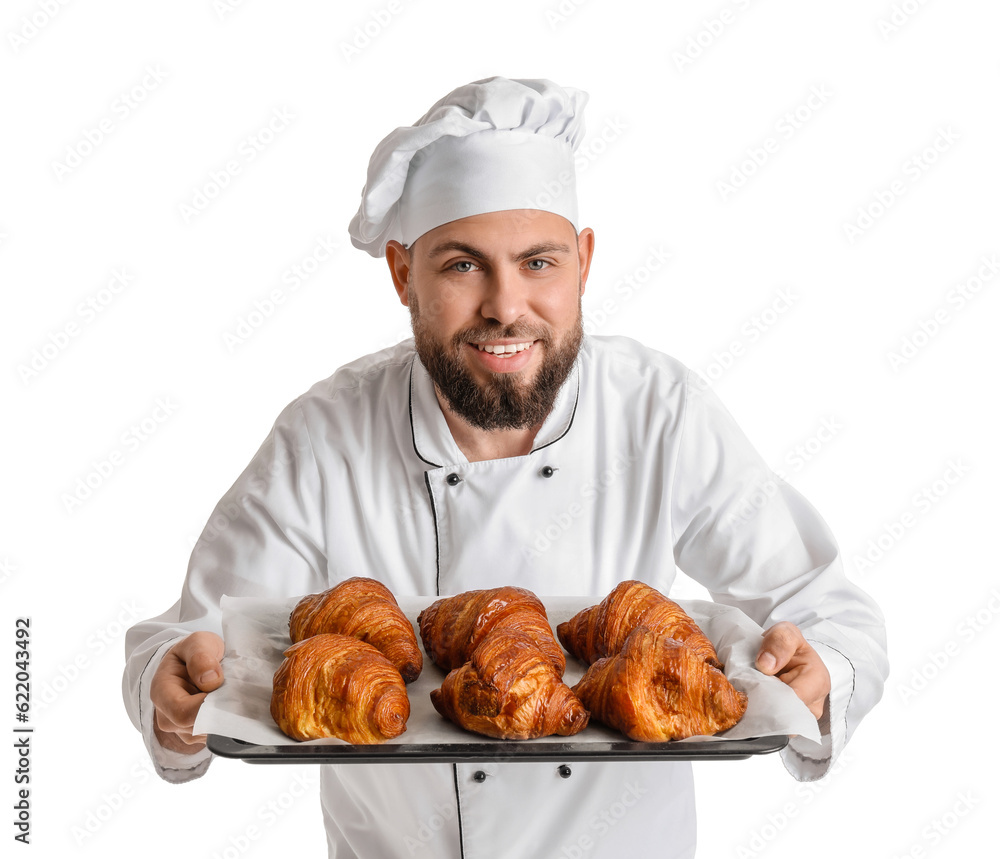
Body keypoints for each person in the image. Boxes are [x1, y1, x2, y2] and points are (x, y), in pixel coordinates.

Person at [123, 77, 887, 858]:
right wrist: (171, 689)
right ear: (401, 274)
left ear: (583, 263)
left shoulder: (660, 410)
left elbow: (829, 612)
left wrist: (817, 668)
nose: (505, 306)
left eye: (538, 262)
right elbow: (196, 637)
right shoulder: (325, 434)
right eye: (462, 266)